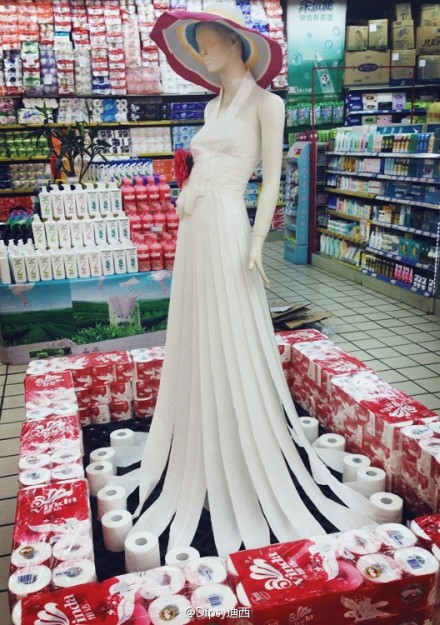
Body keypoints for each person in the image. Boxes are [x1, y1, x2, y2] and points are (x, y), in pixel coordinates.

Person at [119, 3, 375, 556]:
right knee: (199, 326)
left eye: (208, 42)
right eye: (198, 45)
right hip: (195, 227)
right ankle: (202, 434)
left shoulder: (267, 103)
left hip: (231, 225)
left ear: (234, 42)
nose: (203, 52)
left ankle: (245, 440)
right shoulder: (211, 106)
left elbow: (274, 178)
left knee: (234, 323)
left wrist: (259, 242)